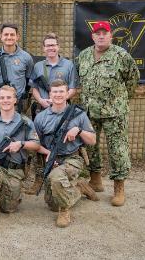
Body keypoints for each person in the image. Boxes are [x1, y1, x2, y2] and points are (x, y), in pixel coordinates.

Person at [75, 21, 140, 206]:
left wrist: (120, 100)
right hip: (89, 112)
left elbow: (133, 79)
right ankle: (95, 180)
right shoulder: (84, 55)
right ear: (93, 36)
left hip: (114, 112)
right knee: (90, 147)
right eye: (98, 33)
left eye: (105, 33)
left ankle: (119, 188)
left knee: (117, 150)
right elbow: (79, 78)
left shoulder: (121, 55)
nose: (101, 36)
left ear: (111, 36)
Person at [34, 79, 98, 228]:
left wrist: (79, 130)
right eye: (55, 91)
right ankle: (79, 188)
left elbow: (93, 140)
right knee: (51, 205)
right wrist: (48, 153)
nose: (58, 95)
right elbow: (35, 144)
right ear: (50, 94)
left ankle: (64, 211)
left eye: (61, 91)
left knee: (56, 179)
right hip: (52, 159)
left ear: (67, 93)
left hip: (72, 158)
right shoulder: (41, 118)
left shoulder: (78, 115)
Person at [0, 85, 40, 223]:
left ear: (15, 100)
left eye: (9, 97)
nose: (5, 100)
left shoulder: (26, 122)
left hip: (15, 170)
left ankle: (9, 195)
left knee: (9, 208)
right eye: (2, 97)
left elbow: (36, 144)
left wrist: (21, 144)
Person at [26, 33, 79, 195]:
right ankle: (39, 178)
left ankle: (62, 175)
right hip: (42, 110)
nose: (51, 48)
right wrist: (42, 101)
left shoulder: (68, 65)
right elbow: (34, 88)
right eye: (48, 45)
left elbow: (73, 88)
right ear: (43, 48)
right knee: (38, 143)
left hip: (62, 111)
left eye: (53, 45)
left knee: (60, 141)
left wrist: (59, 100)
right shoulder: (38, 66)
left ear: (58, 46)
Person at [0, 23, 34, 114]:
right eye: (6, 34)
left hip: (18, 104)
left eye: (12, 34)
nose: (9, 37)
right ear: (1, 36)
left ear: (17, 37)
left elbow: (28, 80)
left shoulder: (26, 58)